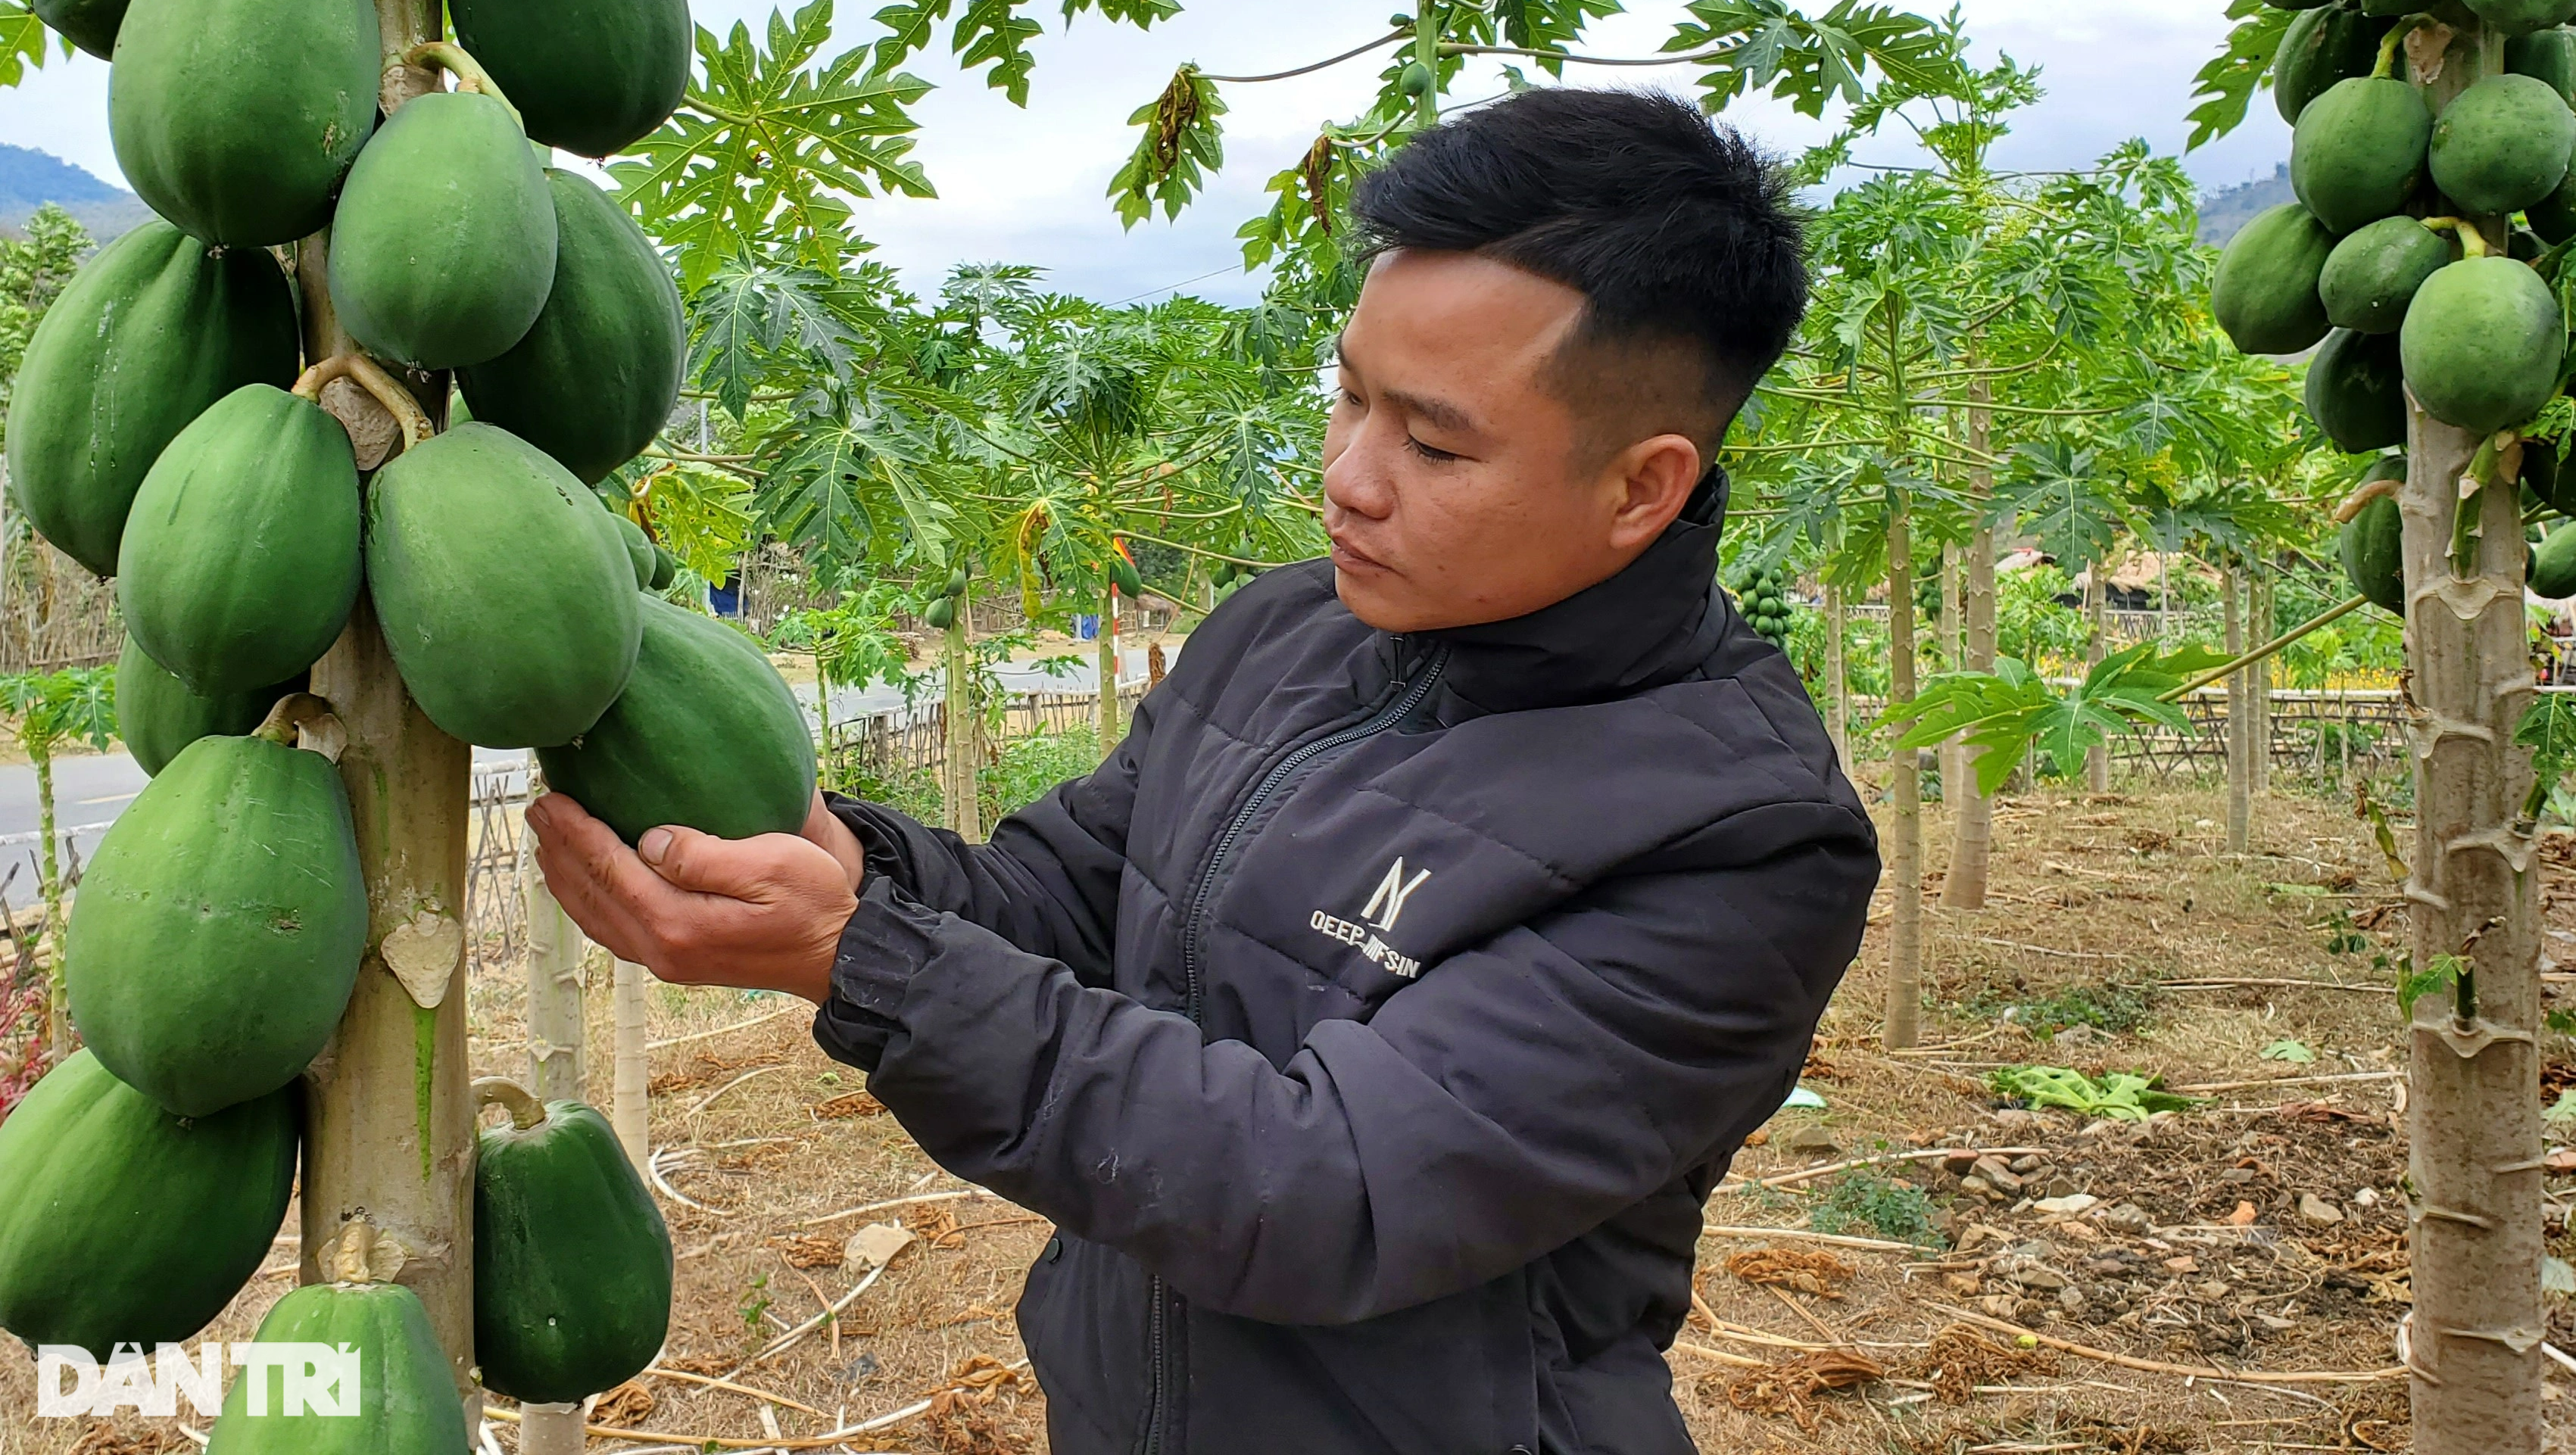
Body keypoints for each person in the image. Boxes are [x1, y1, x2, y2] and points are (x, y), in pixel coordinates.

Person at [529, 86, 1882, 1455]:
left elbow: (1322, 1191)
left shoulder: (1740, 835)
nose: (1347, 478)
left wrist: (859, 962)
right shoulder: (1284, 632)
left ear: (1642, 488)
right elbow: (1059, 899)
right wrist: (851, 864)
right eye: (1347, 396)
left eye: (1431, 443)